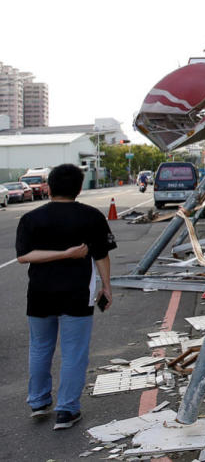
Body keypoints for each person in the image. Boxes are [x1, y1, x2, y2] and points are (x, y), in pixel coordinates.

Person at [15, 163, 116, 430]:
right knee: (74, 352)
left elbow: (25, 257)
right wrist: (106, 286)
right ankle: (66, 411)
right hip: (76, 294)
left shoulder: (31, 219)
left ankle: (38, 402)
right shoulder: (91, 216)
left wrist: (57, 254)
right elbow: (102, 255)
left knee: (40, 348)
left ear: (49, 187)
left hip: (39, 293)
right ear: (79, 187)